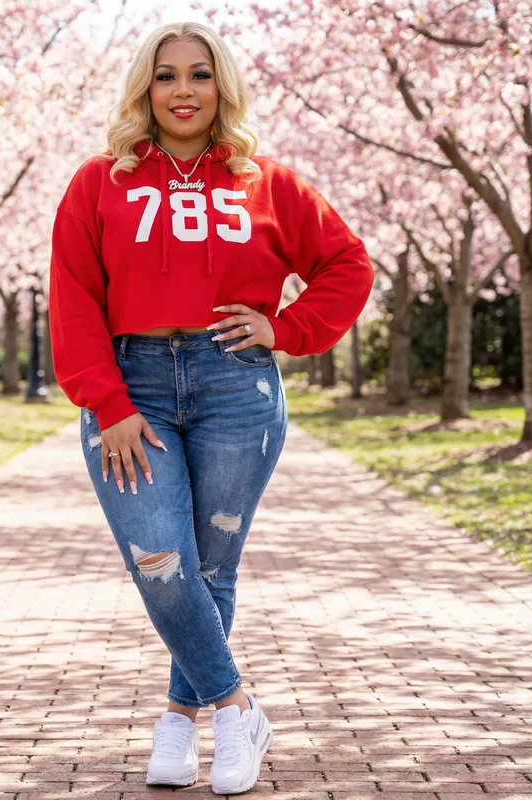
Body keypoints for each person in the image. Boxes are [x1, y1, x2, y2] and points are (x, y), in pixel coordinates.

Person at [48, 21, 374, 795]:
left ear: (221, 86)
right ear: (146, 88)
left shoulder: (266, 181)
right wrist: (109, 402)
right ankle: (236, 705)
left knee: (212, 567)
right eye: (167, 76)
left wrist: (286, 328)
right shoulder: (100, 182)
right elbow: (73, 298)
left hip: (237, 386)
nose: (184, 91)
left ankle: (175, 724)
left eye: (200, 75)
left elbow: (347, 263)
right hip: (134, 392)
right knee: (160, 558)